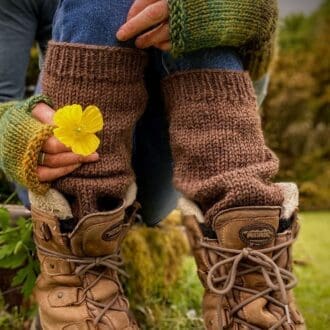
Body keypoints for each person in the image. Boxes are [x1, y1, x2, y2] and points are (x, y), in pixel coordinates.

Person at [0, 0, 305, 329]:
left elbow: (252, 90)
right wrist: (15, 134)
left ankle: (249, 285)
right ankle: (78, 287)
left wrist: (241, 14)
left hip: (177, 158)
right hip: (52, 159)